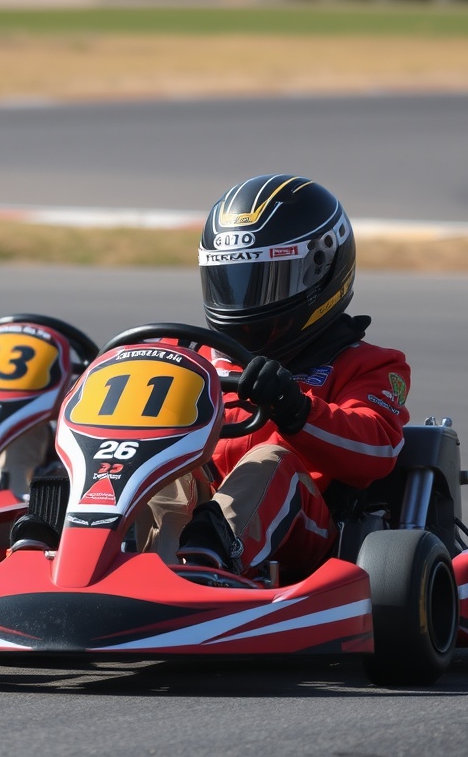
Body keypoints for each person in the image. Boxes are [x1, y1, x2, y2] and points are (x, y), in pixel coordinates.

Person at [136, 174, 411, 583]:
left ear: (322, 270)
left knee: (270, 459)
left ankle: (205, 568)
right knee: (152, 456)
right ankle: (70, 547)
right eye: (232, 283)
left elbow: (377, 451)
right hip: (190, 515)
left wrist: (295, 407)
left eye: (267, 282)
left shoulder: (366, 364)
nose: (247, 302)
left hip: (303, 533)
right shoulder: (185, 352)